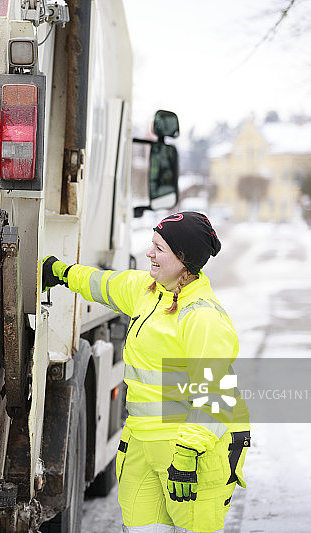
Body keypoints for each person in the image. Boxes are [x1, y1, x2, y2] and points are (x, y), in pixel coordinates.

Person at [42, 211, 250, 533]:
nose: (149, 253)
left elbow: (216, 395)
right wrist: (59, 271)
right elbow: (101, 284)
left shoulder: (202, 317)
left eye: (160, 248)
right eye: (151, 244)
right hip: (142, 443)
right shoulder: (146, 291)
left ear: (184, 260)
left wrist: (187, 452)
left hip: (192, 454)